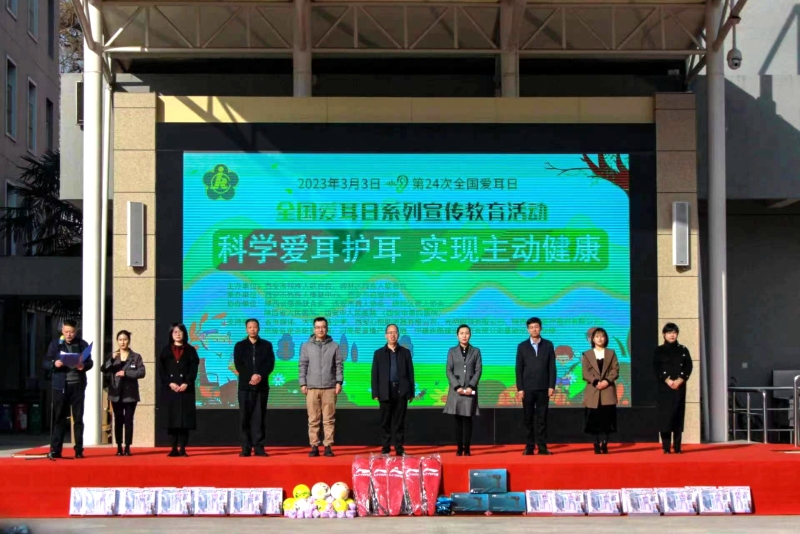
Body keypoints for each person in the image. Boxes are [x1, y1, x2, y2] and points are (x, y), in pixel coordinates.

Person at [42, 319, 92, 459]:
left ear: (76, 332)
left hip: (77, 386)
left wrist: (84, 366)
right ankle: (56, 449)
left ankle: (79, 450)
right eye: (66, 332)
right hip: (60, 386)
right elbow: (45, 362)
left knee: (78, 419)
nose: (69, 334)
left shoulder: (82, 344)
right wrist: (54, 364)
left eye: (71, 332)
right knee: (59, 418)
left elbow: (90, 362)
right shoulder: (55, 344)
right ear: (62, 331)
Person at [299, 317, 343, 457]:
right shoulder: (306, 346)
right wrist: (303, 383)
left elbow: (339, 365)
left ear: (327, 328)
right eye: (318, 327)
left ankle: (328, 446)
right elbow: (303, 365)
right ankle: (314, 446)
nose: (320, 330)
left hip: (330, 387)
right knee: (313, 419)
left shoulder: (334, 346)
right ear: (314, 329)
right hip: (312, 387)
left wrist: (339, 382)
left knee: (329, 419)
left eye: (323, 327)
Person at [233, 318, 276, 457]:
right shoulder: (239, 346)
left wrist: (259, 376)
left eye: (255, 327)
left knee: (259, 418)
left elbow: (270, 364)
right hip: (245, 387)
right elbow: (238, 365)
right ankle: (245, 447)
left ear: (259, 328)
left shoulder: (266, 345)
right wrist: (250, 377)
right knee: (244, 418)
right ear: (246, 329)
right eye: (250, 327)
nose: (252, 329)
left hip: (261, 387)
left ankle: (259, 447)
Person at [371, 324, 415, 456]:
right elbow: (375, 374)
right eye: (390, 333)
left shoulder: (405, 353)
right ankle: (385, 449)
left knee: (399, 422)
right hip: (385, 391)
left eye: (395, 332)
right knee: (385, 422)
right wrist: (375, 392)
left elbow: (410, 373)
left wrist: (411, 392)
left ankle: (399, 449)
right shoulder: (378, 353)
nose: (392, 335)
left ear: (398, 335)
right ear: (386, 335)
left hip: (401, 391)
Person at [515, 317, 556, 455]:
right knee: (528, 418)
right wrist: (520, 388)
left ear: (541, 328)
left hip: (544, 387)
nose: (534, 329)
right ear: (528, 330)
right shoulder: (522, 346)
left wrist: (551, 385)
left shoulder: (548, 345)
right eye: (531, 327)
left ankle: (542, 447)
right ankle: (529, 447)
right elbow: (519, 369)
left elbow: (552, 367)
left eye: (536, 327)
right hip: (527, 388)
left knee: (542, 418)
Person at [158, 323, 199, 457]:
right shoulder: (165, 350)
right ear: (171, 334)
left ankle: (183, 448)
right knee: (172, 420)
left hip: (186, 390)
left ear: (184, 334)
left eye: (180, 331)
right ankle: (173, 448)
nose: (177, 334)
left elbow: (194, 369)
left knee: (184, 421)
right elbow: (162, 370)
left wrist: (187, 383)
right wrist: (169, 383)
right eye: (175, 332)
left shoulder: (191, 350)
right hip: (170, 390)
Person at [102, 330, 146, 456]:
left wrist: (126, 373)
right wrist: (111, 359)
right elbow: (103, 368)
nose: (122, 342)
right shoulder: (113, 356)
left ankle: (127, 447)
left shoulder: (136, 357)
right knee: (118, 420)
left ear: (129, 341)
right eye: (120, 340)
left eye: (125, 339)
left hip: (130, 394)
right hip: (116, 393)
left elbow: (141, 372)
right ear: (117, 341)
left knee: (128, 420)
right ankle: (119, 446)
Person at [443, 324, 482, 456]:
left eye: (467, 333)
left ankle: (467, 448)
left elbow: (478, 370)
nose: (464, 335)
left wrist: (471, 386)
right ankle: (459, 448)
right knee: (458, 421)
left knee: (468, 420)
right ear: (457, 335)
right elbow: (448, 370)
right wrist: (457, 386)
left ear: (470, 335)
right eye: (461, 333)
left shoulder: (476, 351)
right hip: (456, 391)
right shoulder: (452, 351)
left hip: (470, 391)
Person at [654, 322, 693, 454]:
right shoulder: (659, 350)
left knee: (677, 415)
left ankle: (677, 447)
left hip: (679, 388)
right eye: (669, 333)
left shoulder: (683, 349)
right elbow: (656, 368)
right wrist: (667, 380)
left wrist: (680, 380)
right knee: (665, 417)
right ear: (664, 334)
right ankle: (666, 447)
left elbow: (688, 366)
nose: (672, 335)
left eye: (674, 332)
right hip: (664, 388)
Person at [581, 327, 619, 454]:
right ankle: (596, 443)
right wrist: (596, 382)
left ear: (606, 338)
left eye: (602, 336)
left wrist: (607, 381)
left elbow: (615, 369)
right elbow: (585, 372)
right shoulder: (587, 354)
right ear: (592, 339)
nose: (600, 339)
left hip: (608, 390)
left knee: (607, 419)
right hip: (593, 390)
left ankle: (605, 443)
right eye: (597, 336)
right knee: (593, 420)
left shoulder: (611, 353)